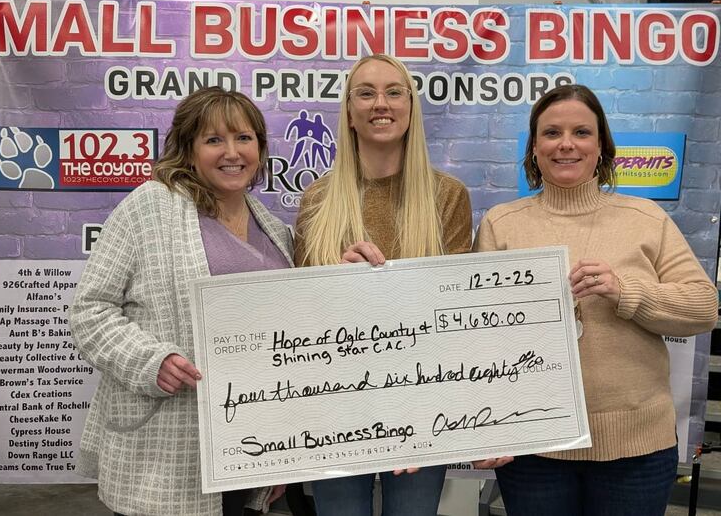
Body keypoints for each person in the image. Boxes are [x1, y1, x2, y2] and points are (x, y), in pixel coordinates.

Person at [474, 83, 718, 515]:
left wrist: (628, 291)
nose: (566, 144)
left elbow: (702, 308)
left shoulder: (646, 218)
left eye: (581, 133)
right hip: (535, 446)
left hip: (636, 448)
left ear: (602, 147)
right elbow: (478, 337)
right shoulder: (501, 224)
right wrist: (488, 425)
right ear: (534, 148)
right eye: (551, 133)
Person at [69, 87, 292, 516]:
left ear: (260, 150)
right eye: (213, 140)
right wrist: (150, 361)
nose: (232, 152)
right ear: (188, 150)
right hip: (165, 448)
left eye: (244, 138)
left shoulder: (274, 230)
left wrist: (284, 450)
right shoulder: (150, 206)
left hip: (247, 446)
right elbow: (89, 310)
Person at [294, 53, 473, 516]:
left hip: (421, 404)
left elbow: (453, 312)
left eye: (395, 92)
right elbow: (301, 312)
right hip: (334, 405)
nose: (382, 103)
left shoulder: (447, 196)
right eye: (367, 92)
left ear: (411, 108)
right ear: (349, 113)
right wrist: (337, 276)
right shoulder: (318, 198)